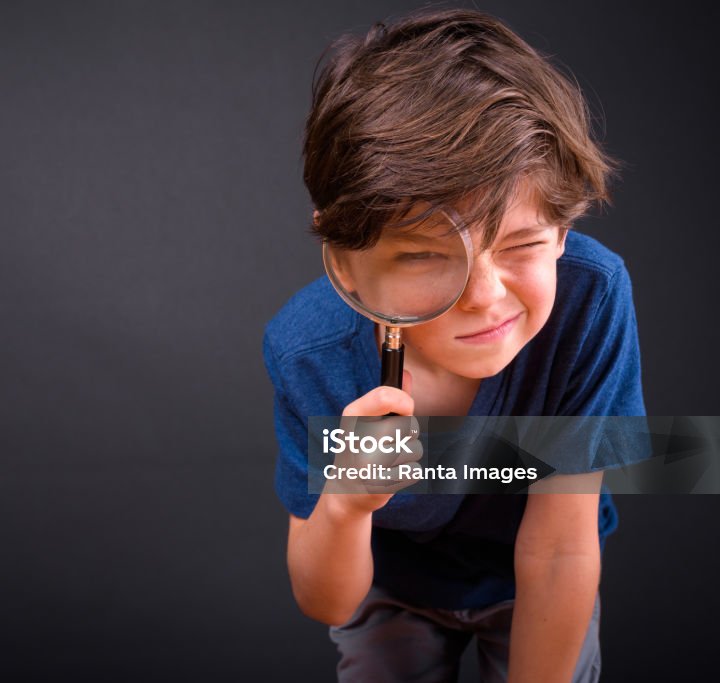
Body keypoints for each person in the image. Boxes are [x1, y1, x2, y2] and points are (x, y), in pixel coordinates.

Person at [262, 8, 645, 683]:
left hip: (541, 571)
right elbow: (326, 597)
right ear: (347, 261)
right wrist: (348, 501)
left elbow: (560, 545)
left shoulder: (591, 297)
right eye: (425, 258)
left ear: (561, 232)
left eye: (523, 244)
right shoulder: (310, 350)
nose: (484, 294)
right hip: (388, 579)